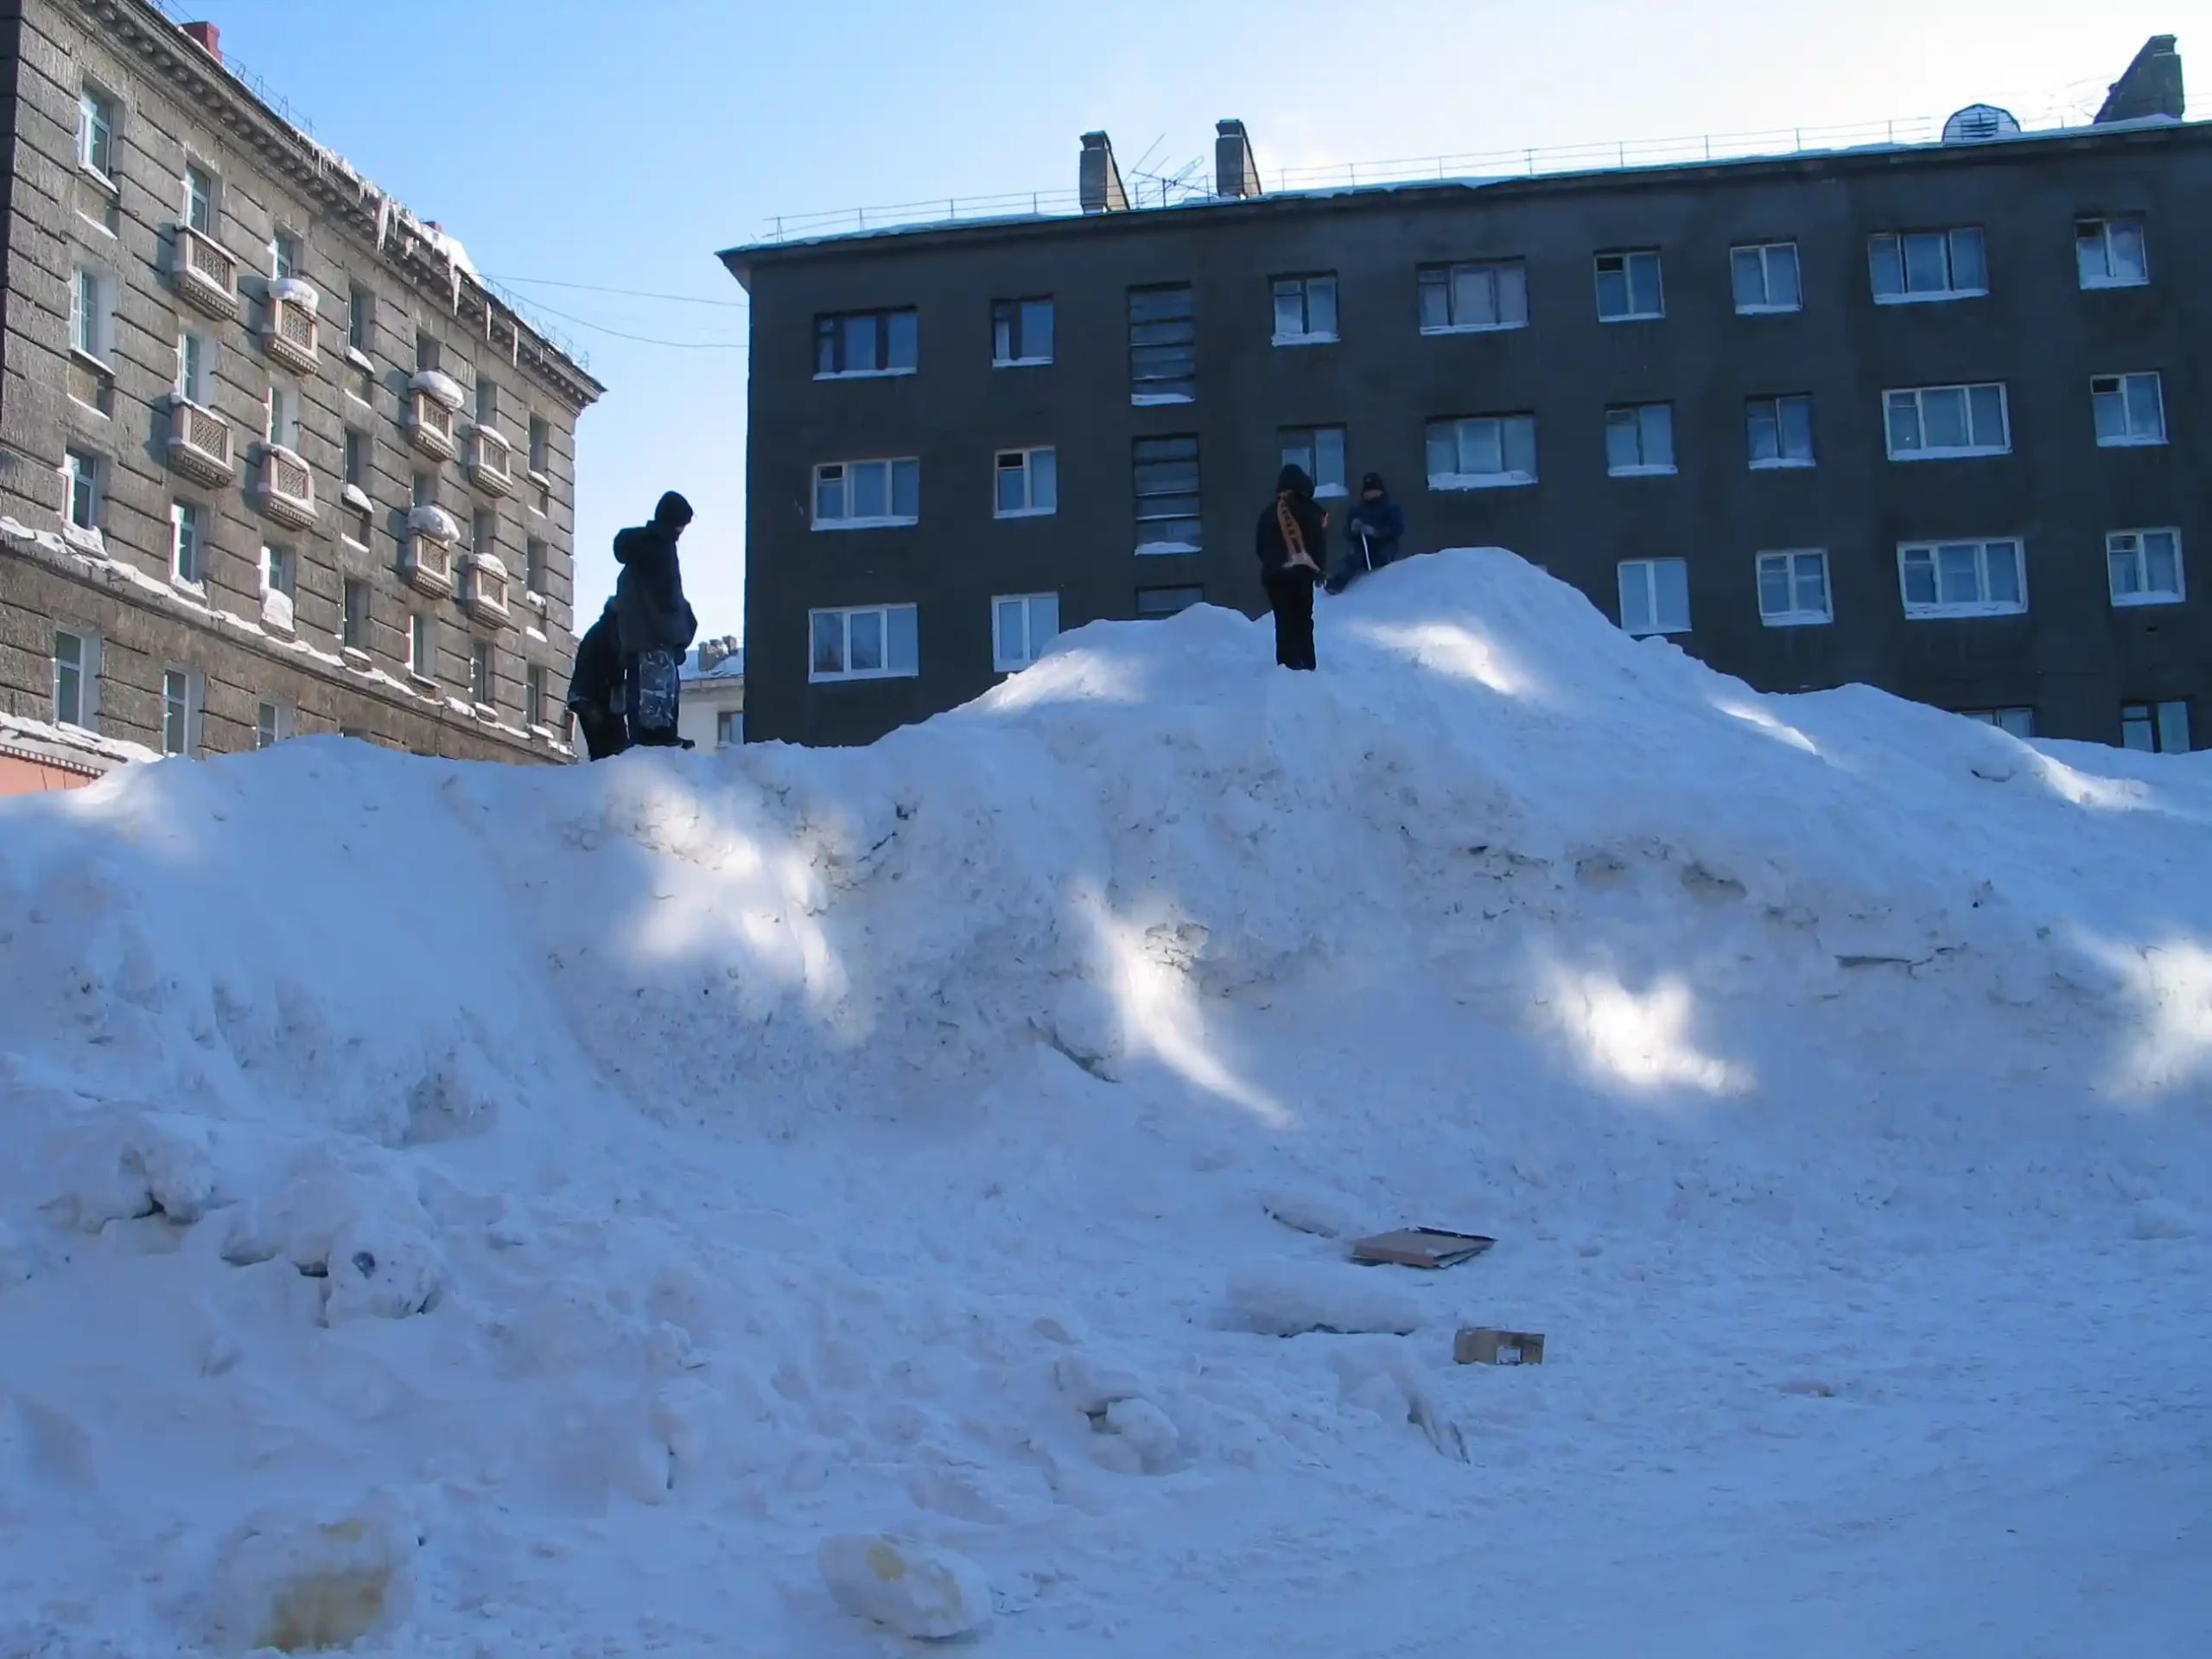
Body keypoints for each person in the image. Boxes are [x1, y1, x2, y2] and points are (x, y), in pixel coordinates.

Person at [613, 491, 699, 748]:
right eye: (681, 525)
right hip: (655, 639)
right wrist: (679, 634)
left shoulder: (642, 549)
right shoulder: (660, 549)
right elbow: (667, 600)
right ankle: (658, 742)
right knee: (657, 699)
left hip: (639, 639)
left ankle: (652, 739)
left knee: (645, 698)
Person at [1254, 463, 1326, 671]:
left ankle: (1286, 668)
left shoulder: (1268, 513)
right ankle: (1306, 666)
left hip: (1274, 576)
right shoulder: (1308, 509)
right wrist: (1319, 568)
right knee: (1303, 620)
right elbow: (1317, 541)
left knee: (1283, 621)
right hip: (1300, 574)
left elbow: (1260, 547)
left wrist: (1274, 564)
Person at [1323, 474, 1408, 595]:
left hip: (1384, 545)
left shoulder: (1391, 507)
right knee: (1351, 559)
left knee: (1382, 558)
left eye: (1374, 491)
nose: (1371, 494)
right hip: (1362, 546)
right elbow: (1347, 534)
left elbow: (1398, 528)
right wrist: (1353, 530)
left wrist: (1376, 532)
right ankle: (1337, 582)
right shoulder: (1358, 510)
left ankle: (1384, 583)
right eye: (1368, 491)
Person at [566, 598, 630, 760]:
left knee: (603, 750)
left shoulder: (600, 629)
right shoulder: (611, 632)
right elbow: (610, 668)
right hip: (595, 700)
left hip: (585, 698)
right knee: (615, 750)